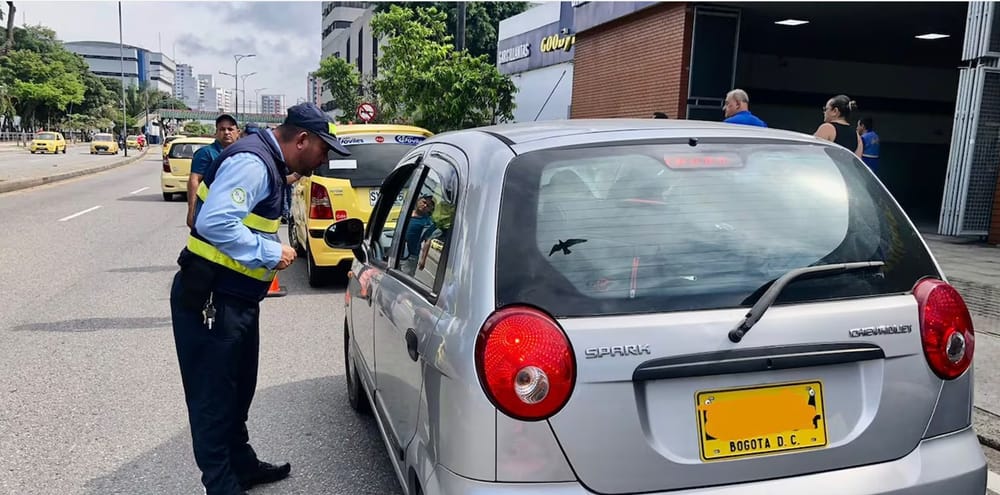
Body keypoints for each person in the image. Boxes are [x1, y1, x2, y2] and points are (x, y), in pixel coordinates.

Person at [170, 102, 351, 495]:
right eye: (323, 151)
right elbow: (214, 221)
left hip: (234, 298)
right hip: (211, 299)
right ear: (302, 140)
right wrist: (273, 253)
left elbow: (247, 217)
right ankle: (221, 485)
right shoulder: (252, 163)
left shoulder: (265, 163)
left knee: (237, 389)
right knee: (213, 399)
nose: (323, 161)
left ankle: (242, 465)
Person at [187, 114, 241, 228]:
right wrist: (192, 211)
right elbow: (194, 180)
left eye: (230, 129)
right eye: (222, 129)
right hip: (210, 211)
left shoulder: (243, 153)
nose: (226, 132)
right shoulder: (206, 153)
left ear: (238, 132)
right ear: (216, 133)